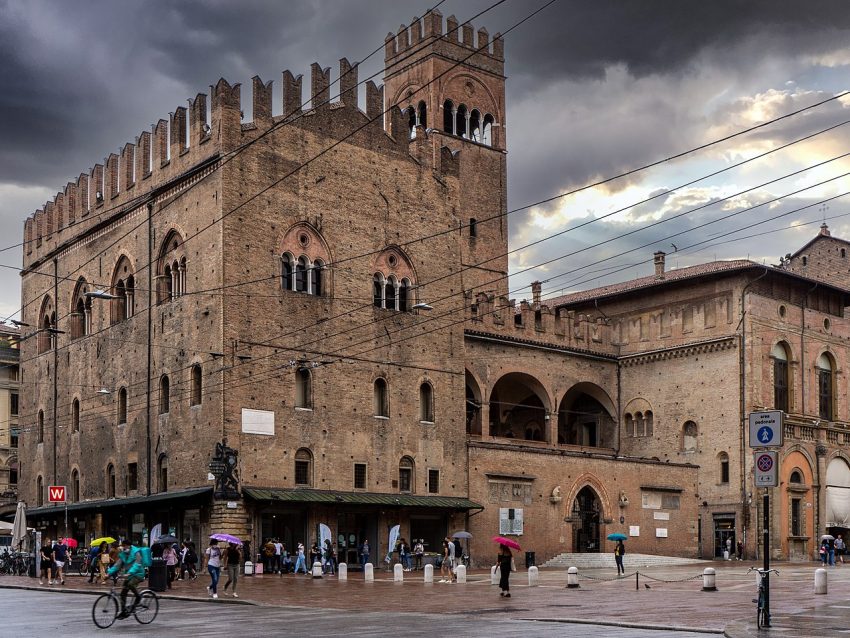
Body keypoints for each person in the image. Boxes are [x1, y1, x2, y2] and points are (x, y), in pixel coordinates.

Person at [108, 539, 147, 619]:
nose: (123, 548)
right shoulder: (123, 554)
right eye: (123, 546)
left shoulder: (137, 552)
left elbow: (137, 564)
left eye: (124, 546)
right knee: (123, 593)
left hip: (138, 574)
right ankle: (123, 611)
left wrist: (130, 572)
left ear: (129, 546)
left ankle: (138, 596)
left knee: (130, 584)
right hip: (128, 575)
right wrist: (108, 574)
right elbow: (117, 565)